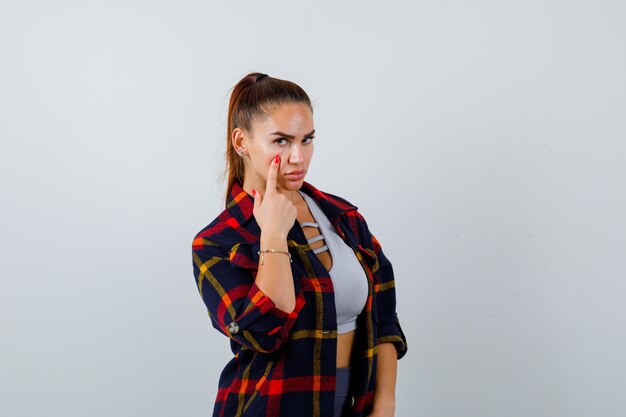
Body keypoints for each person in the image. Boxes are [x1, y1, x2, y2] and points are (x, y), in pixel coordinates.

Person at [191, 72, 408, 417]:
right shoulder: (217, 243)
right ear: (241, 142)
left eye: (307, 139)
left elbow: (384, 316)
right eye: (281, 141)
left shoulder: (343, 217)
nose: (298, 157)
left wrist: (385, 403)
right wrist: (273, 236)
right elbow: (265, 334)